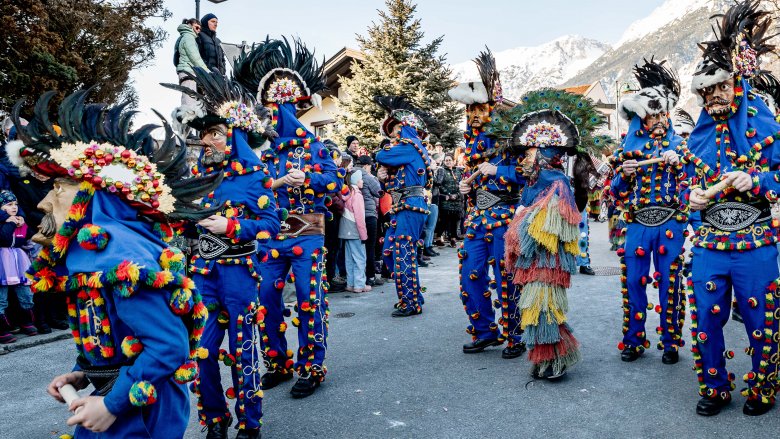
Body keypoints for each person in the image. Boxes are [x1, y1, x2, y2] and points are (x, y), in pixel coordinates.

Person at [17, 88, 217, 438]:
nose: (45, 202)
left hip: (142, 411)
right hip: (120, 398)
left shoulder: (121, 257)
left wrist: (112, 404)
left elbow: (169, 346)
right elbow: (112, 332)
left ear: (91, 193)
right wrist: (82, 373)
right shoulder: (94, 256)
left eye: (58, 187)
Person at [165, 64, 280, 438]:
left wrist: (231, 226)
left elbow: (271, 224)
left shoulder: (252, 177)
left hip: (239, 275)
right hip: (203, 275)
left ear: (234, 137)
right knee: (202, 351)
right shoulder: (196, 179)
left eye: (215, 133)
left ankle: (250, 422)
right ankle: (215, 419)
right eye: (205, 134)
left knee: (244, 351)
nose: (207, 140)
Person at [682, 0, 780, 417]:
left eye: (721, 88)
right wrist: (692, 197)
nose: (715, 96)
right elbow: (687, 188)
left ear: (736, 86)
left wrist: (756, 180)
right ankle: (715, 387)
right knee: (705, 321)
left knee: (762, 323)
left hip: (756, 243)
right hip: (708, 244)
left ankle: (762, 389)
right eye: (708, 91)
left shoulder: (765, 127)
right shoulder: (698, 137)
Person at [235, 37, 344, 399]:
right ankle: (277, 362)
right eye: (268, 110)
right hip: (270, 236)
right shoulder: (259, 152)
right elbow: (247, 190)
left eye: (279, 110)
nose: (273, 117)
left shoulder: (313, 147)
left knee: (310, 299)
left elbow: (335, 182)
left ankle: (312, 366)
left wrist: (310, 178)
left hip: (308, 231)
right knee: (266, 299)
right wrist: (271, 182)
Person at [500, 90, 610, 380]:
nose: (522, 160)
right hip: (533, 264)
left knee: (544, 310)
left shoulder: (557, 182)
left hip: (547, 264)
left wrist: (517, 228)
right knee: (535, 312)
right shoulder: (533, 182)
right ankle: (543, 360)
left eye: (527, 153)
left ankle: (555, 360)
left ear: (542, 153)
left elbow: (546, 230)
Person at [609, 58, 687, 365]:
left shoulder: (681, 145)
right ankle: (634, 340)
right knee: (633, 283)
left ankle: (670, 342)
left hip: (671, 223)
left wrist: (679, 165)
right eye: (650, 114)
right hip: (638, 224)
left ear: (666, 111)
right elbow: (615, 195)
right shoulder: (626, 149)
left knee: (670, 283)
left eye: (660, 112)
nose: (655, 118)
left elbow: (694, 188)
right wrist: (624, 174)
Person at [449, 49, 525, 357]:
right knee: (470, 275)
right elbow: (471, 174)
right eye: (470, 110)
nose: (474, 115)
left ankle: (515, 335)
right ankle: (485, 332)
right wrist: (465, 185)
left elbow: (531, 173)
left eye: (480, 108)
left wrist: (500, 169)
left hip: (505, 215)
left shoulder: (512, 135)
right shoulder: (469, 141)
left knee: (508, 277)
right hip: (476, 218)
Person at [374, 96, 435, 317]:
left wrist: (382, 163)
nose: (393, 135)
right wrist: (383, 173)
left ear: (407, 128)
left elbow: (381, 154)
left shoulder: (411, 146)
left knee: (403, 252)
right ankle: (413, 294)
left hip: (411, 206)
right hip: (401, 206)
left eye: (397, 128)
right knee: (390, 252)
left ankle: (410, 303)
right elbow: (390, 175)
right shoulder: (408, 151)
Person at [0, 190, 36, 343]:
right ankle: (2, 330)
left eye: (15, 204)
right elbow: (3, 238)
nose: (14, 207)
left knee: (26, 294)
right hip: (2, 262)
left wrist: (21, 221)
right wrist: (9, 222)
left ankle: (26, 322)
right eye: (9, 205)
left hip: (19, 261)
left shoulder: (20, 220)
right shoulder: (7, 222)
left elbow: (30, 236)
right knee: (1, 298)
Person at [340, 170, 370, 292]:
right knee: (360, 257)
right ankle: (359, 284)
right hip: (355, 230)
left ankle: (351, 283)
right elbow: (360, 217)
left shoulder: (347, 193)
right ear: (357, 181)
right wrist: (364, 235)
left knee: (349, 258)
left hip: (345, 229)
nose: (362, 181)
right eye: (361, 179)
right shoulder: (357, 195)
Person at [356, 155, 384, 286]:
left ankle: (358, 277)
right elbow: (379, 192)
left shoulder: (349, 175)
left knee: (356, 248)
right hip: (369, 215)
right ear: (367, 166)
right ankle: (370, 276)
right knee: (370, 246)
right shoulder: (368, 177)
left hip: (354, 216)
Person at [175, 18, 209, 106]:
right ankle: (188, 118)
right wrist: (206, 71)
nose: (198, 31)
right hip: (188, 71)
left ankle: (185, 117)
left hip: (185, 71)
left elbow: (175, 58)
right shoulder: (189, 37)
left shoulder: (183, 37)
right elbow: (194, 57)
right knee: (190, 101)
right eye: (197, 28)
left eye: (200, 29)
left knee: (187, 99)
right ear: (189, 25)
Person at [437, 154, 463, 247]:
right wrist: (448, 194)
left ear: (453, 161)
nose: (448, 162)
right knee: (444, 220)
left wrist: (457, 195)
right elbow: (439, 184)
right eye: (446, 160)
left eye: (450, 160)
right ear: (444, 162)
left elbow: (461, 184)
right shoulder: (442, 170)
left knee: (454, 220)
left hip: (456, 200)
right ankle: (439, 238)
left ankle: (453, 239)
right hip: (446, 200)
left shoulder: (458, 171)